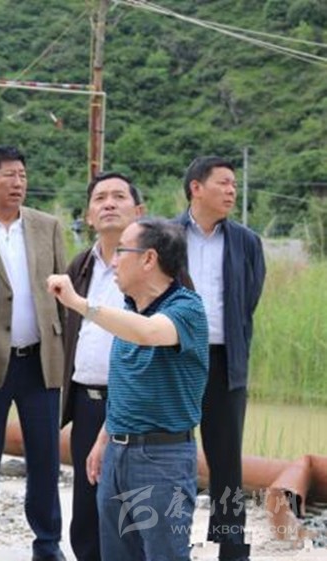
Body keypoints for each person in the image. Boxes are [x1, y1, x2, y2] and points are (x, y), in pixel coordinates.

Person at [47, 218, 209, 561]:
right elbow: (126, 386)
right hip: (118, 454)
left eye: (122, 250)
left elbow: (150, 333)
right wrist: (104, 439)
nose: (114, 260)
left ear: (149, 259)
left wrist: (80, 303)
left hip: (162, 459)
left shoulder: (186, 309)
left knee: (165, 556)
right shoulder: (129, 310)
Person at [0, 145, 67, 561]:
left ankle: (48, 543)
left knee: (45, 460)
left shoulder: (47, 226)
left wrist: (64, 354)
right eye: (9, 175)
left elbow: (62, 294)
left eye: (22, 175)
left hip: (39, 361)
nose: (18, 182)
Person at [176, 156, 266, 561]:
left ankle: (231, 550)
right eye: (224, 183)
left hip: (225, 362)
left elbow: (249, 298)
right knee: (172, 456)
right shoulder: (168, 235)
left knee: (227, 463)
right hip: (176, 359)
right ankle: (171, 544)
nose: (232, 191)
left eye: (234, 184)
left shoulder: (246, 241)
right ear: (196, 188)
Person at [60, 172, 145, 561]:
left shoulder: (156, 265)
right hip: (87, 401)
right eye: (100, 198)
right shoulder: (81, 265)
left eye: (119, 196)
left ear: (139, 211)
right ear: (89, 216)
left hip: (138, 405)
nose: (109, 203)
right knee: (87, 505)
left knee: (133, 507)